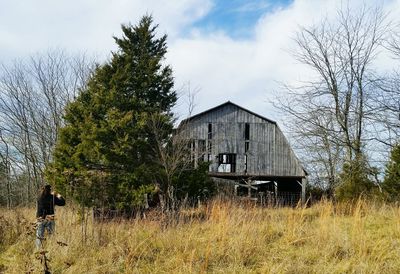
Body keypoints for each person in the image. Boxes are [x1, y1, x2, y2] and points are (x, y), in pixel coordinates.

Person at [36, 184, 66, 249]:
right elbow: (63, 203)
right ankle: (50, 249)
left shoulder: (39, 197)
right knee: (51, 235)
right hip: (50, 219)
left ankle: (38, 250)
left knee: (39, 236)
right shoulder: (52, 197)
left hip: (40, 219)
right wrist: (58, 195)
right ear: (50, 190)